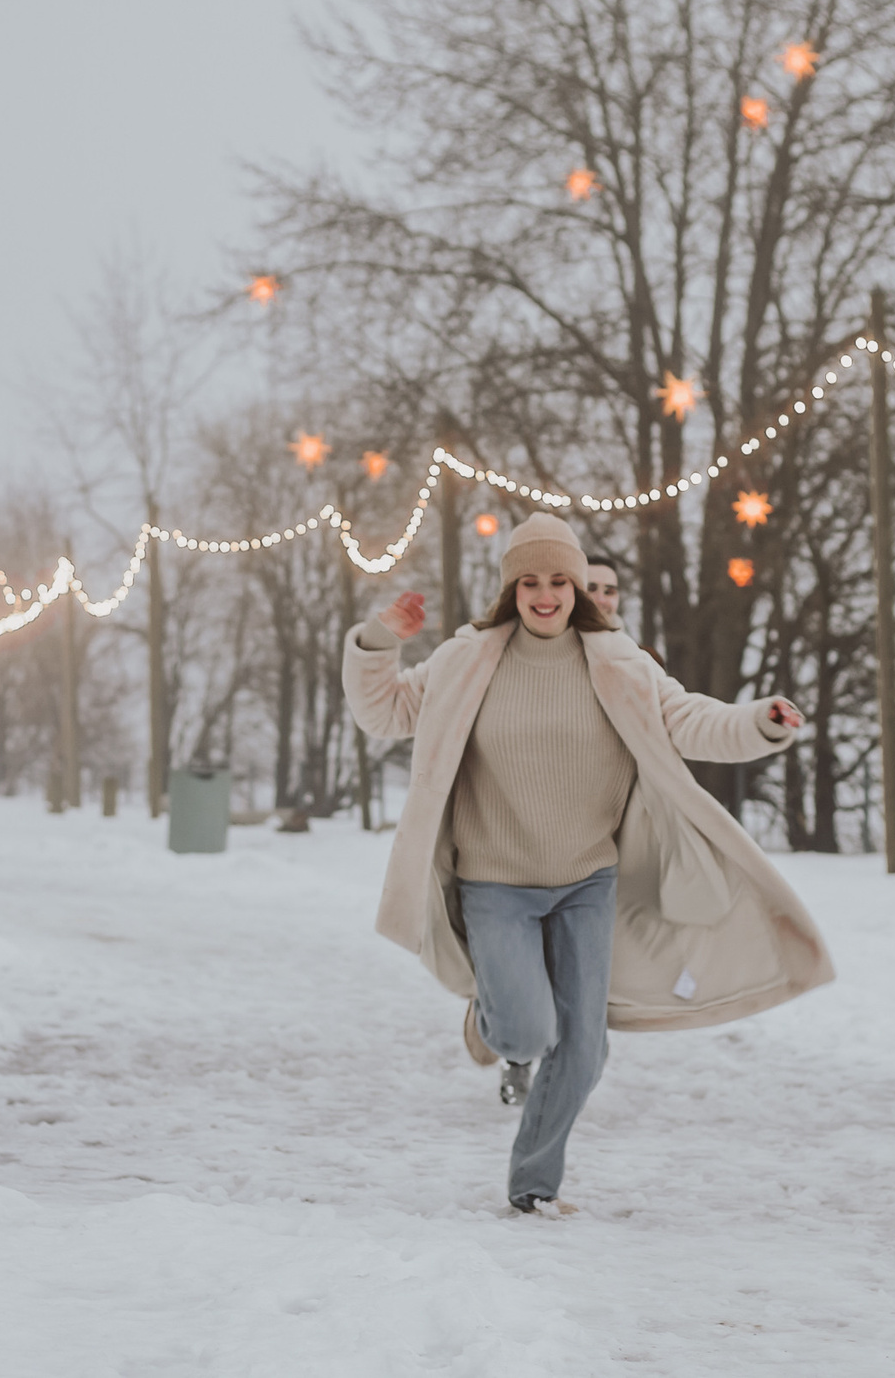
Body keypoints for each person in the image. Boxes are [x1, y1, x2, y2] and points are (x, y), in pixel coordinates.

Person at [345, 513, 834, 1215]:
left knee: (583, 1050)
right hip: (495, 882)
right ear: (512, 588)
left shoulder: (620, 663)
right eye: (530, 581)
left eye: (559, 581)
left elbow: (690, 719)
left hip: (586, 880)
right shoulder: (466, 660)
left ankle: (533, 1185)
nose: (546, 595)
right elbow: (384, 710)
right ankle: (493, 1021)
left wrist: (759, 721)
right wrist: (379, 640)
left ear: (578, 587)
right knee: (528, 1032)